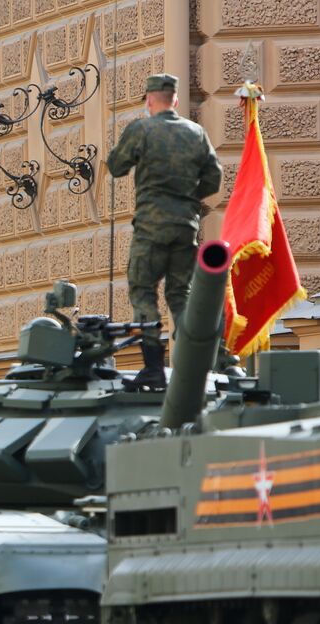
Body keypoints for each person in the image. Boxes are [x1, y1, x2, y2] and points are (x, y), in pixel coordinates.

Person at [106, 73, 223, 390]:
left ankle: (154, 368)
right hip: (186, 229)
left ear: (149, 100)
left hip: (149, 229)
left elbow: (116, 166)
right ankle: (193, 363)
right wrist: (186, 200)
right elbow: (214, 178)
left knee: (143, 294)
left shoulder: (142, 129)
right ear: (174, 99)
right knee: (180, 296)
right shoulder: (196, 133)